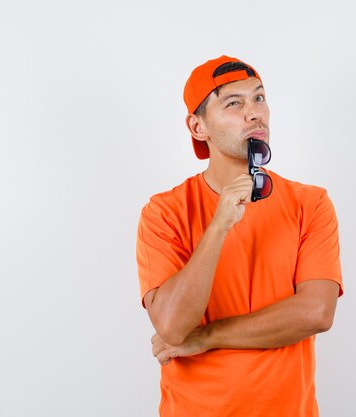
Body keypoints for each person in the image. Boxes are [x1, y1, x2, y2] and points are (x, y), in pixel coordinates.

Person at [135, 55, 344, 417]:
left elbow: (316, 312)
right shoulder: (164, 213)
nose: (254, 113)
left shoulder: (311, 203)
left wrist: (207, 337)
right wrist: (218, 226)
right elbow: (171, 326)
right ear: (198, 127)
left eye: (259, 98)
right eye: (234, 103)